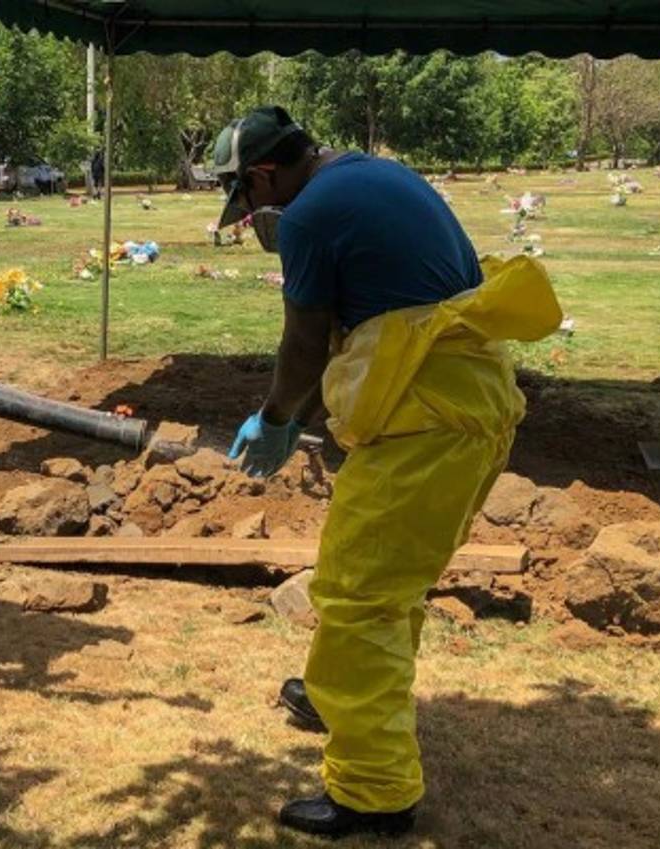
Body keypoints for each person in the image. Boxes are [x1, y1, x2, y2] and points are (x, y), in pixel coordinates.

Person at [214, 107, 560, 838]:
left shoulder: (308, 215)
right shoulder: (374, 172)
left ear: (261, 175)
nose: (256, 219)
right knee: (387, 580)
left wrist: (277, 418)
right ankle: (340, 693)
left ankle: (375, 792)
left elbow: (304, 340)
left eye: (249, 204)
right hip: (471, 404)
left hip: (426, 420)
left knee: (359, 594)